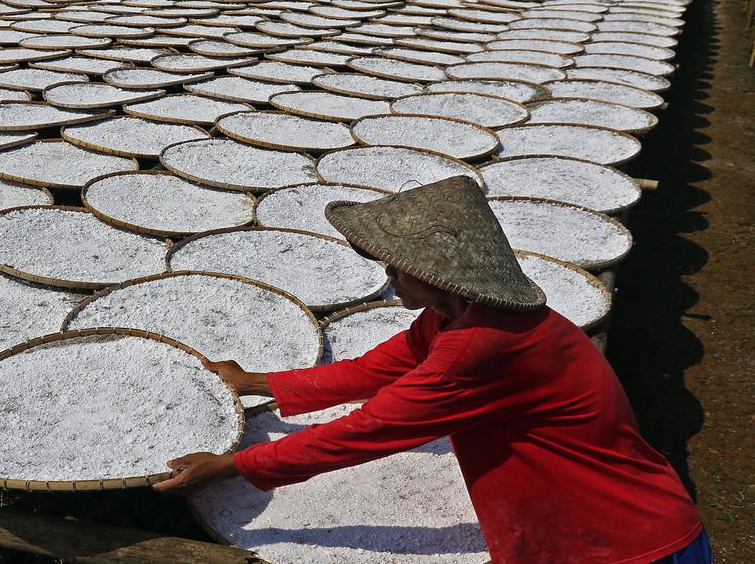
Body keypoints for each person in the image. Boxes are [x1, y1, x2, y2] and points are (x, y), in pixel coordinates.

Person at [154, 176, 710, 564]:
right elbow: (372, 371)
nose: (390, 278)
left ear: (434, 274)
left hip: (622, 540)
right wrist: (256, 382)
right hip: (591, 521)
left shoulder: (484, 345)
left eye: (398, 268)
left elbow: (368, 430)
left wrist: (233, 466)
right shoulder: (457, 317)